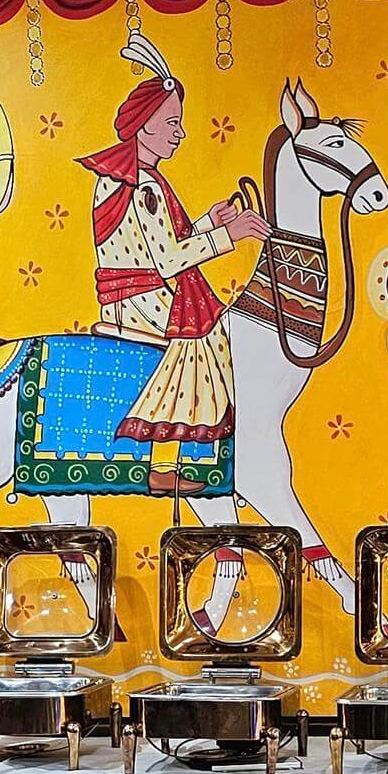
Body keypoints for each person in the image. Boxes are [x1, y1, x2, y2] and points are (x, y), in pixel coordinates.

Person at [80, 34, 271, 494]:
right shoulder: (142, 185)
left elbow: (159, 243)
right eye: (171, 123)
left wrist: (208, 222)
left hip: (142, 289)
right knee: (203, 340)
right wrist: (230, 235)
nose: (179, 133)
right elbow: (167, 260)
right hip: (141, 298)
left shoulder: (136, 177)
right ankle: (165, 462)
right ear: (144, 126)